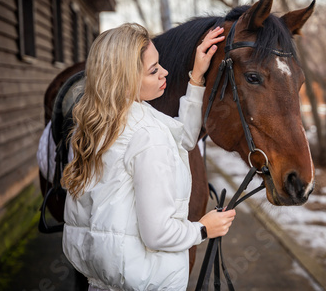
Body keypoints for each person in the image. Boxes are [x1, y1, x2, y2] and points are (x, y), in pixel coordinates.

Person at [61, 23, 235, 291]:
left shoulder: (97, 124)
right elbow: (158, 234)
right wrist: (202, 229)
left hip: (103, 281)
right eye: (154, 70)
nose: (164, 72)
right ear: (125, 79)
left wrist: (196, 78)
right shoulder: (148, 134)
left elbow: (181, 139)